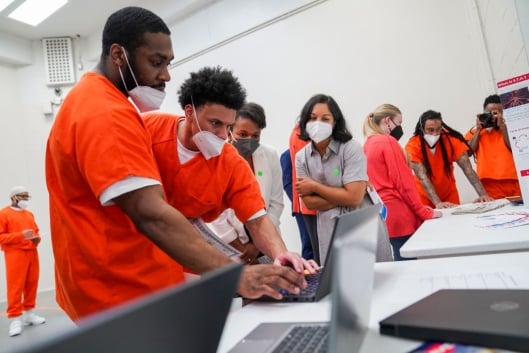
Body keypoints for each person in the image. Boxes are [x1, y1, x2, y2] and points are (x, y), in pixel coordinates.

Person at [45, 7, 309, 321]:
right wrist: (237, 276)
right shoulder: (115, 117)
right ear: (118, 55)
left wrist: (280, 253)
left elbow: (256, 217)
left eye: (168, 64)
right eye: (156, 62)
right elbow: (150, 213)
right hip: (119, 290)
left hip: (150, 279)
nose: (166, 75)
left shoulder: (97, 103)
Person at [142, 67, 317, 272]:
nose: (224, 135)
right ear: (190, 112)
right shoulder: (147, 130)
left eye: (228, 125)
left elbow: (257, 221)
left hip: (187, 261)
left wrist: (281, 253)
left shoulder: (231, 163)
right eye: (215, 123)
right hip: (130, 250)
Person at [295, 94, 369, 265]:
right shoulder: (301, 157)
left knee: (370, 280)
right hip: (327, 229)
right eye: (312, 118)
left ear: (335, 122)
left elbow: (355, 199)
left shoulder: (351, 148)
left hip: (359, 225)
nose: (318, 123)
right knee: (337, 280)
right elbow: (310, 203)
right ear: (305, 122)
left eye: (325, 119)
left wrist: (315, 186)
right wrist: (346, 194)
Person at [363, 104, 442, 260]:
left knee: (398, 263)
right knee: (408, 265)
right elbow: (404, 184)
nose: (400, 128)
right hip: (400, 215)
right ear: (387, 121)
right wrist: (424, 212)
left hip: (383, 214)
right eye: (398, 123)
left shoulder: (366, 145)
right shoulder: (387, 142)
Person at [208, 102, 284, 262]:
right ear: (230, 132)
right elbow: (214, 214)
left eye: (255, 136)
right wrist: (241, 249)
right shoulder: (215, 159)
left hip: (267, 243)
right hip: (230, 246)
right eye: (242, 134)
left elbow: (276, 203)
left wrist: (258, 245)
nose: (249, 140)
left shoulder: (269, 155)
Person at [405, 110, 492, 208]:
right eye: (430, 130)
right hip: (424, 196)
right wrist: (438, 203)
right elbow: (422, 177)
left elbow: (468, 169)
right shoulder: (413, 146)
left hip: (449, 194)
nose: (435, 134)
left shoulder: (451, 140)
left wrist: (483, 195)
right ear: (421, 129)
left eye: (438, 129)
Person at [0, 186, 46, 337]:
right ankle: (15, 318)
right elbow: (1, 237)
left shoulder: (29, 214)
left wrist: (36, 239)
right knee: (15, 285)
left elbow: (36, 231)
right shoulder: (4, 214)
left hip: (32, 252)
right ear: (13, 197)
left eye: (27, 197)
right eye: (22, 197)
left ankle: (29, 313)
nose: (25, 200)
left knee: (32, 283)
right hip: (15, 254)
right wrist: (20, 235)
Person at [465, 94, 521, 199]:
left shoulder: (510, 130)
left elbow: (516, 149)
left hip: (514, 181)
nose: (492, 116)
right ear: (483, 112)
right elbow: (467, 153)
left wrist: (502, 127)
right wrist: (478, 129)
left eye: (496, 113)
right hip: (488, 184)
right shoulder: (474, 132)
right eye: (489, 113)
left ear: (502, 114)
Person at [280, 148, 314, 260]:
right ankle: (309, 274)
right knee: (308, 243)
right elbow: (288, 184)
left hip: (319, 206)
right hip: (302, 210)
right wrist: (305, 201)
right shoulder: (287, 155)